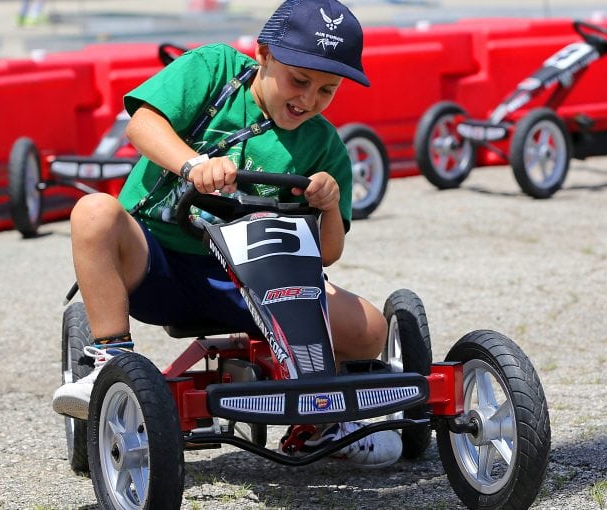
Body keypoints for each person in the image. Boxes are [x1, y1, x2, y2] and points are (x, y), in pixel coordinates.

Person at [51, 0, 401, 468]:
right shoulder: (214, 68)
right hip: (159, 264)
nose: (308, 100)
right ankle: (109, 361)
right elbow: (142, 123)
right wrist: (193, 164)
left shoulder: (323, 145)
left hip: (255, 279)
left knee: (369, 330)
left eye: (327, 90)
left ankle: (320, 424)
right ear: (264, 54)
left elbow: (327, 255)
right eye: (299, 81)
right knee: (93, 212)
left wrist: (330, 205)